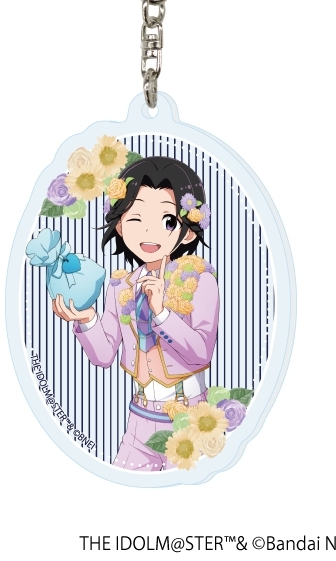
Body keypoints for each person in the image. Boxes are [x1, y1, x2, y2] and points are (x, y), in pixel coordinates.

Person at [51, 156, 219, 471]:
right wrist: (87, 320)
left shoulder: (200, 281)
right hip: (139, 418)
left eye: (167, 221)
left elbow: (201, 352)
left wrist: (162, 313)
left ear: (188, 232)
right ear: (119, 225)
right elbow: (104, 356)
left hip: (189, 416)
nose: (149, 232)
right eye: (136, 219)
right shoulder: (120, 287)